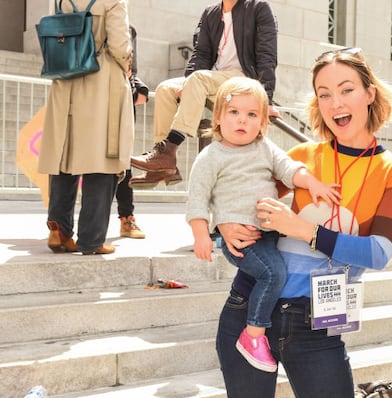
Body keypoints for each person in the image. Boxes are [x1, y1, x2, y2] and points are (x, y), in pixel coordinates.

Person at [214, 49, 392, 398]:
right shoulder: (295, 159)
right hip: (249, 313)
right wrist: (226, 233)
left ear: (370, 94)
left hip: (316, 328)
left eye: (346, 89)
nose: (335, 102)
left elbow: (377, 253)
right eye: (324, 93)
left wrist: (303, 231)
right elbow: (244, 222)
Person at [187, 77, 338, 372]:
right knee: (273, 274)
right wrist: (202, 235)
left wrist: (313, 182)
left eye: (252, 114)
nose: (242, 120)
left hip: (270, 233)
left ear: (263, 122)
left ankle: (268, 328)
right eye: (234, 113)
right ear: (218, 118)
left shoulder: (265, 148)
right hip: (242, 240)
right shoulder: (211, 157)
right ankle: (253, 334)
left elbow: (289, 169)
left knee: (283, 269)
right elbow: (196, 200)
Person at [129, 0, 278, 188]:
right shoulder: (211, 13)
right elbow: (200, 53)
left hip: (242, 78)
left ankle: (170, 148)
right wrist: (188, 83)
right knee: (165, 89)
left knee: (199, 78)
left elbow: (267, 54)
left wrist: (266, 98)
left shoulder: (258, 8)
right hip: (212, 77)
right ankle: (162, 164)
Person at [39, 0, 133, 255]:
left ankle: (59, 231)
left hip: (65, 76)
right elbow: (119, 44)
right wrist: (128, 66)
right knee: (101, 158)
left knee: (64, 155)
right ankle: (92, 240)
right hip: (101, 80)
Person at [116, 26, 148, 239]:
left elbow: (131, 70)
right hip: (96, 97)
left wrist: (137, 85)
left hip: (123, 100)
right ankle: (64, 226)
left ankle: (127, 219)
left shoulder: (129, 30)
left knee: (124, 162)